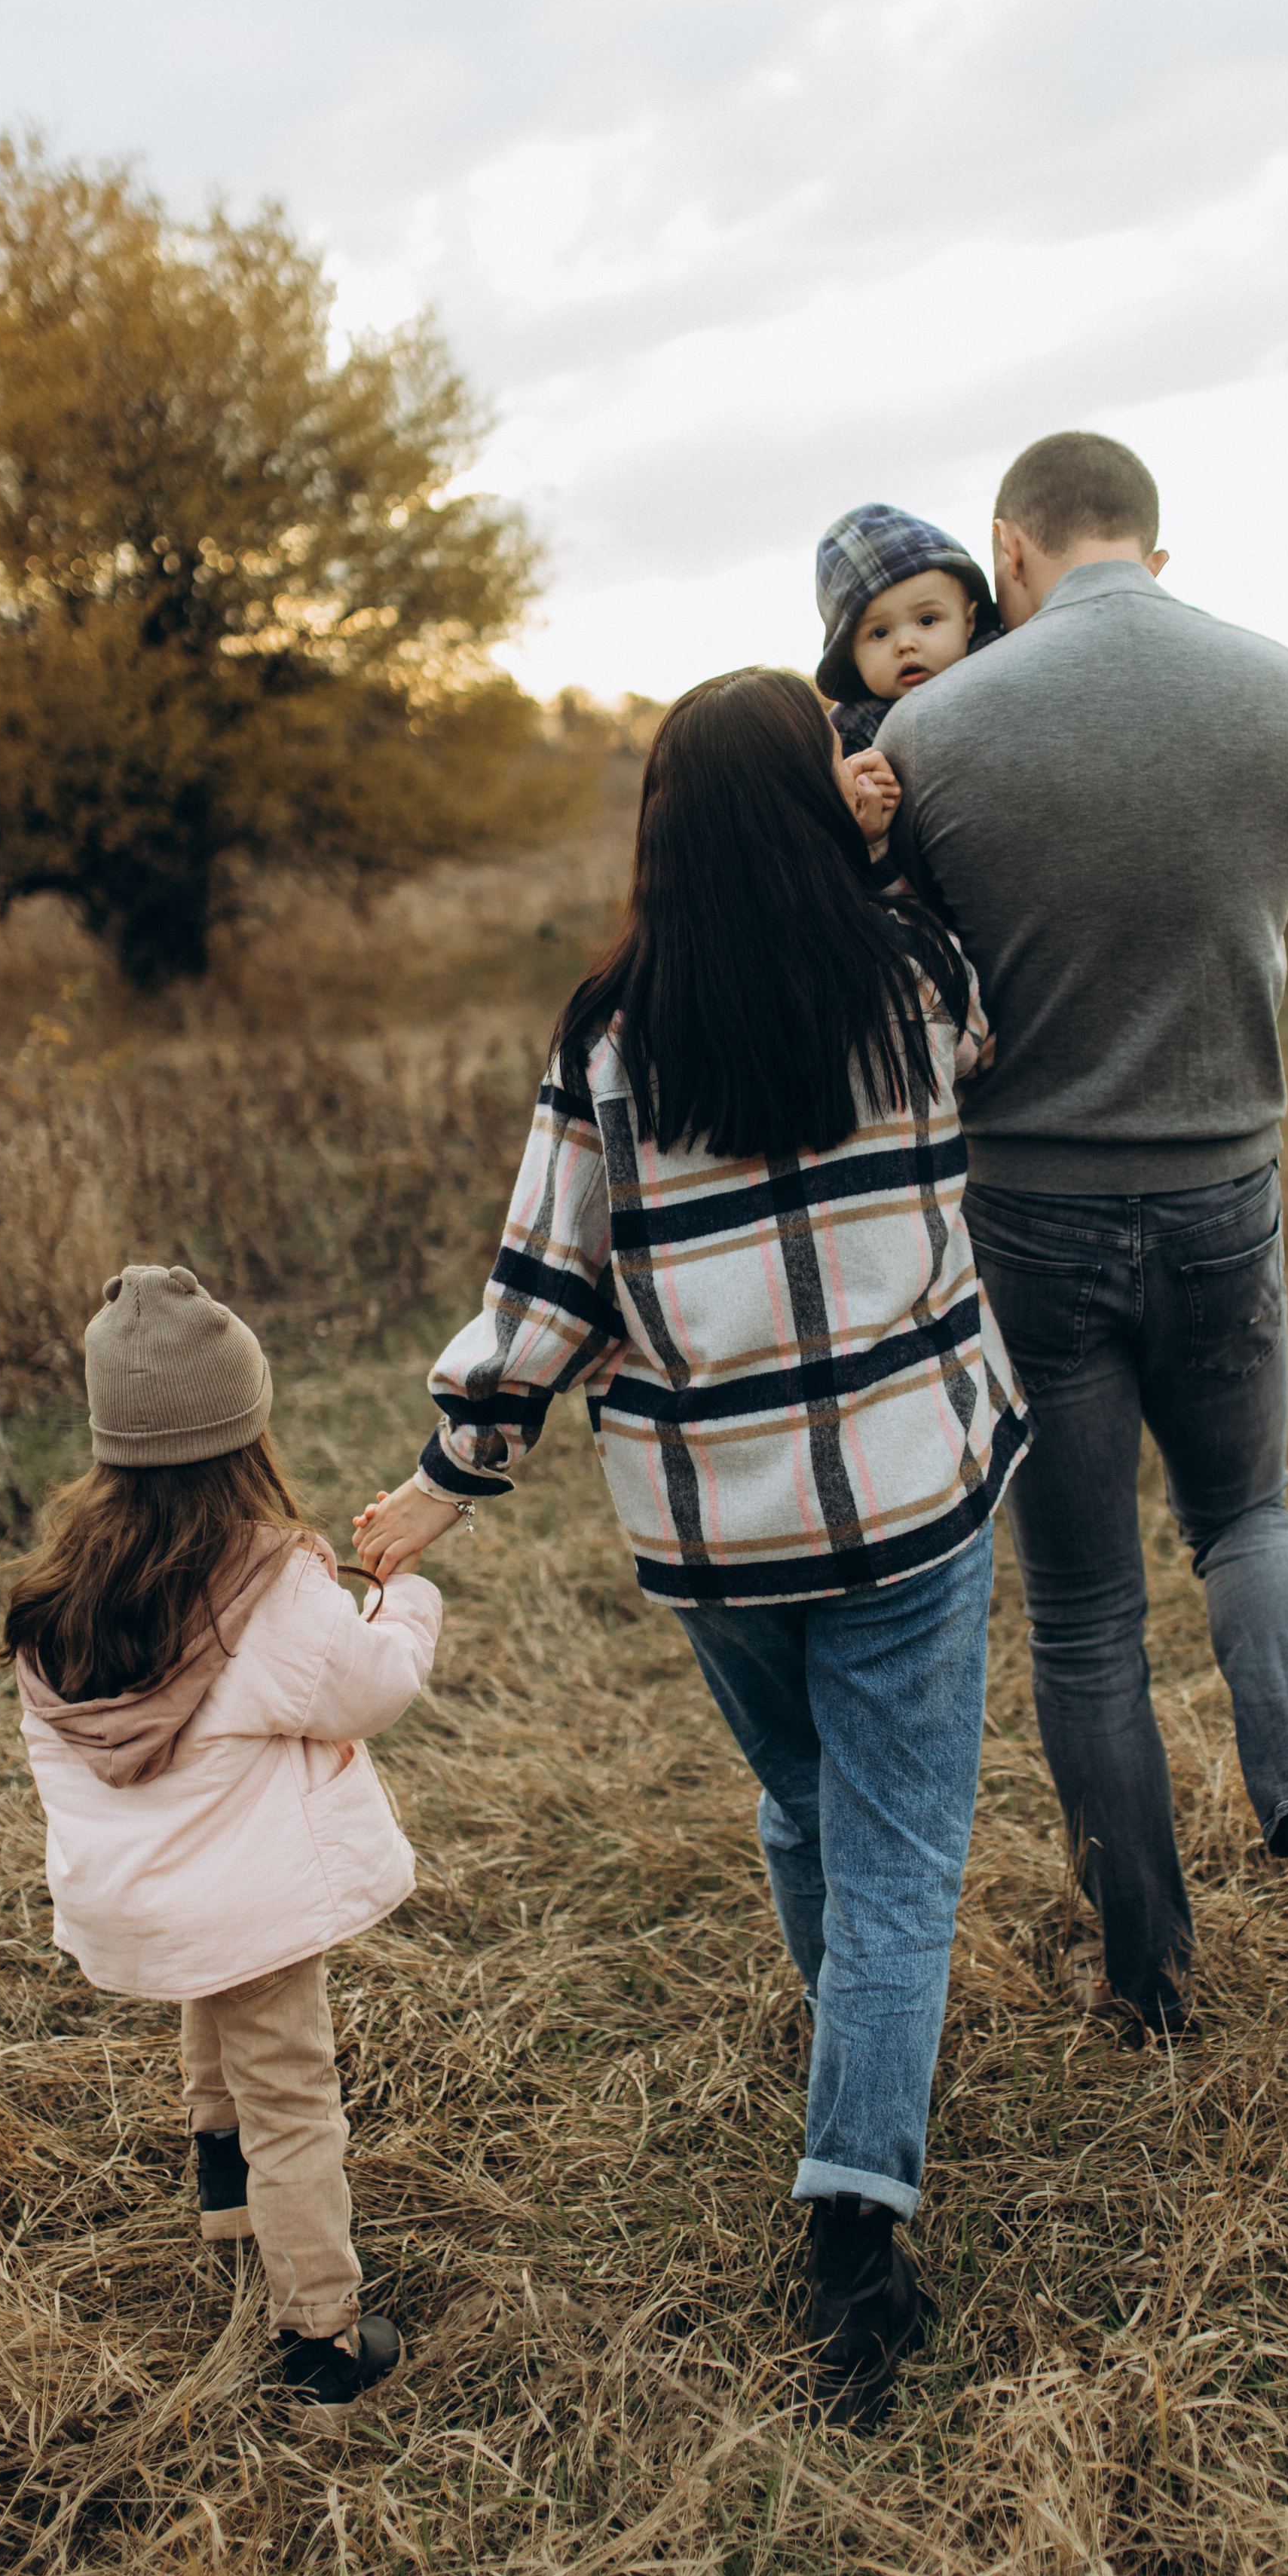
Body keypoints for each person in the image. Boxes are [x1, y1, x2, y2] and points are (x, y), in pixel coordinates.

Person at [354, 667, 1029, 2427]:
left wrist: (448, 1476)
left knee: (806, 1806)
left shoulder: (611, 1036)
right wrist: (878, 855)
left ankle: (852, 2050)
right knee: (897, 1856)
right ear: (819, 806)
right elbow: (985, 1037)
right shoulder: (912, 977)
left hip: (714, 1527)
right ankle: (854, 2220)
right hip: (908, 1497)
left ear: (662, 830)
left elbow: (545, 1287)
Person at [874, 430, 1288, 2031]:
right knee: (1246, 1519)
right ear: (1154, 550)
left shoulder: (932, 727)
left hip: (1032, 1214)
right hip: (1223, 1186)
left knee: (1087, 1611)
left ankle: (1148, 1974)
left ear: (1009, 550)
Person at [5, 1264, 437, 2431]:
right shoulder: (271, 1587)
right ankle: (324, 2340)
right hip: (245, 1908)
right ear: (243, 1434)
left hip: (138, 1903)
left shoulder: (58, 1597)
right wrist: (407, 1601)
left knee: (215, 1983)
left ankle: (226, 2190)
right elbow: (372, 1688)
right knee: (295, 2096)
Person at [814, 501, 1002, 757]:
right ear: (851, 655)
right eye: (880, 633)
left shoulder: (1000, 665)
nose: (905, 645)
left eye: (927, 620)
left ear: (969, 621)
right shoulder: (849, 733)